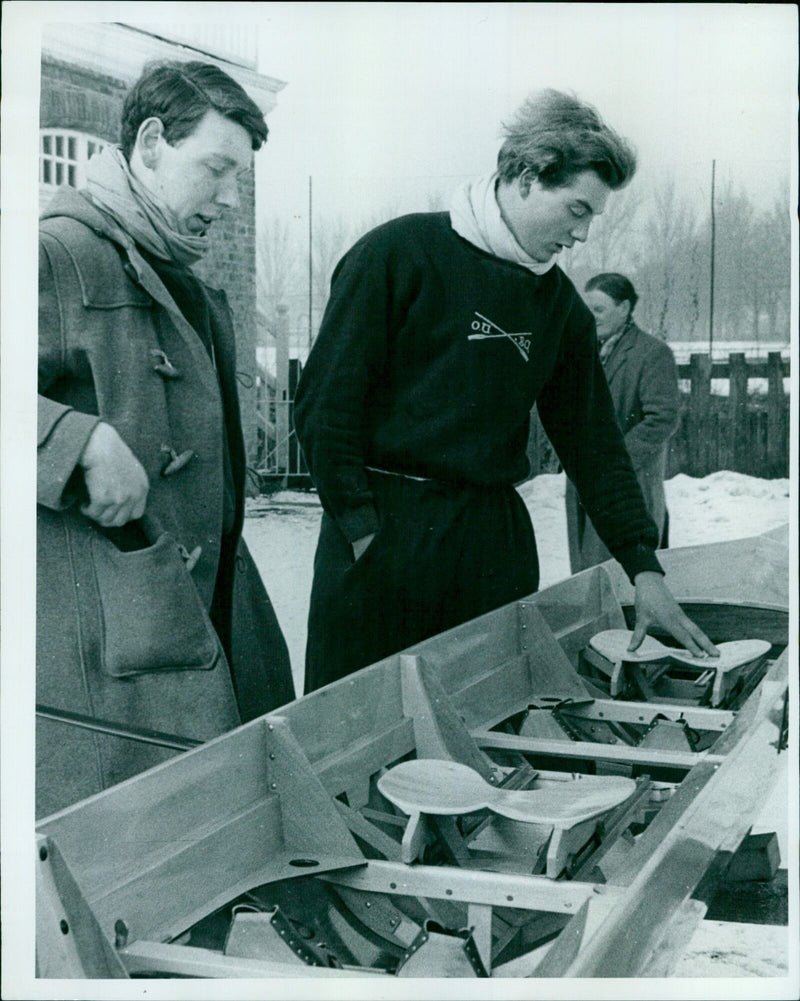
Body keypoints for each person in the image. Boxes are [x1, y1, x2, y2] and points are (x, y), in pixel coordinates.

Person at [294, 89, 717, 694]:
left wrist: (644, 568)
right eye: (576, 209)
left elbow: (594, 446)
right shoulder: (399, 254)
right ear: (524, 177)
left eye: (592, 217)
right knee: (356, 732)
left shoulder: (561, 308)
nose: (583, 234)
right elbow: (323, 408)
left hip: (492, 544)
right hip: (386, 533)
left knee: (486, 720)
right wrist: (362, 530)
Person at [37, 61, 295, 817]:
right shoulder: (57, 253)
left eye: (239, 177)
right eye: (216, 169)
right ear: (150, 144)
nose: (229, 197)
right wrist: (75, 438)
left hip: (201, 613)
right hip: (107, 658)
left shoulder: (181, 275)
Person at [567, 273, 680, 572]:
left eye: (599, 309)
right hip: (585, 483)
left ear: (624, 308)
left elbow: (663, 417)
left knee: (626, 574)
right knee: (588, 576)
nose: (591, 316)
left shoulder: (652, 353)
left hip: (628, 485)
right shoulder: (584, 350)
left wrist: (615, 460)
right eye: (586, 308)